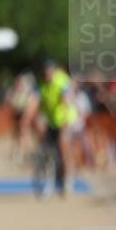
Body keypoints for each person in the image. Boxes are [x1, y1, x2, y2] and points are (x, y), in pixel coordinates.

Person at [38, 60, 77, 197]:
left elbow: (67, 102)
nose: (47, 75)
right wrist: (41, 120)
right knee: (48, 150)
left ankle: (68, 181)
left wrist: (65, 122)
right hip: (52, 121)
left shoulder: (62, 82)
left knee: (64, 147)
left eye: (49, 72)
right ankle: (50, 182)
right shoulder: (43, 85)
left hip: (65, 120)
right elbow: (43, 106)